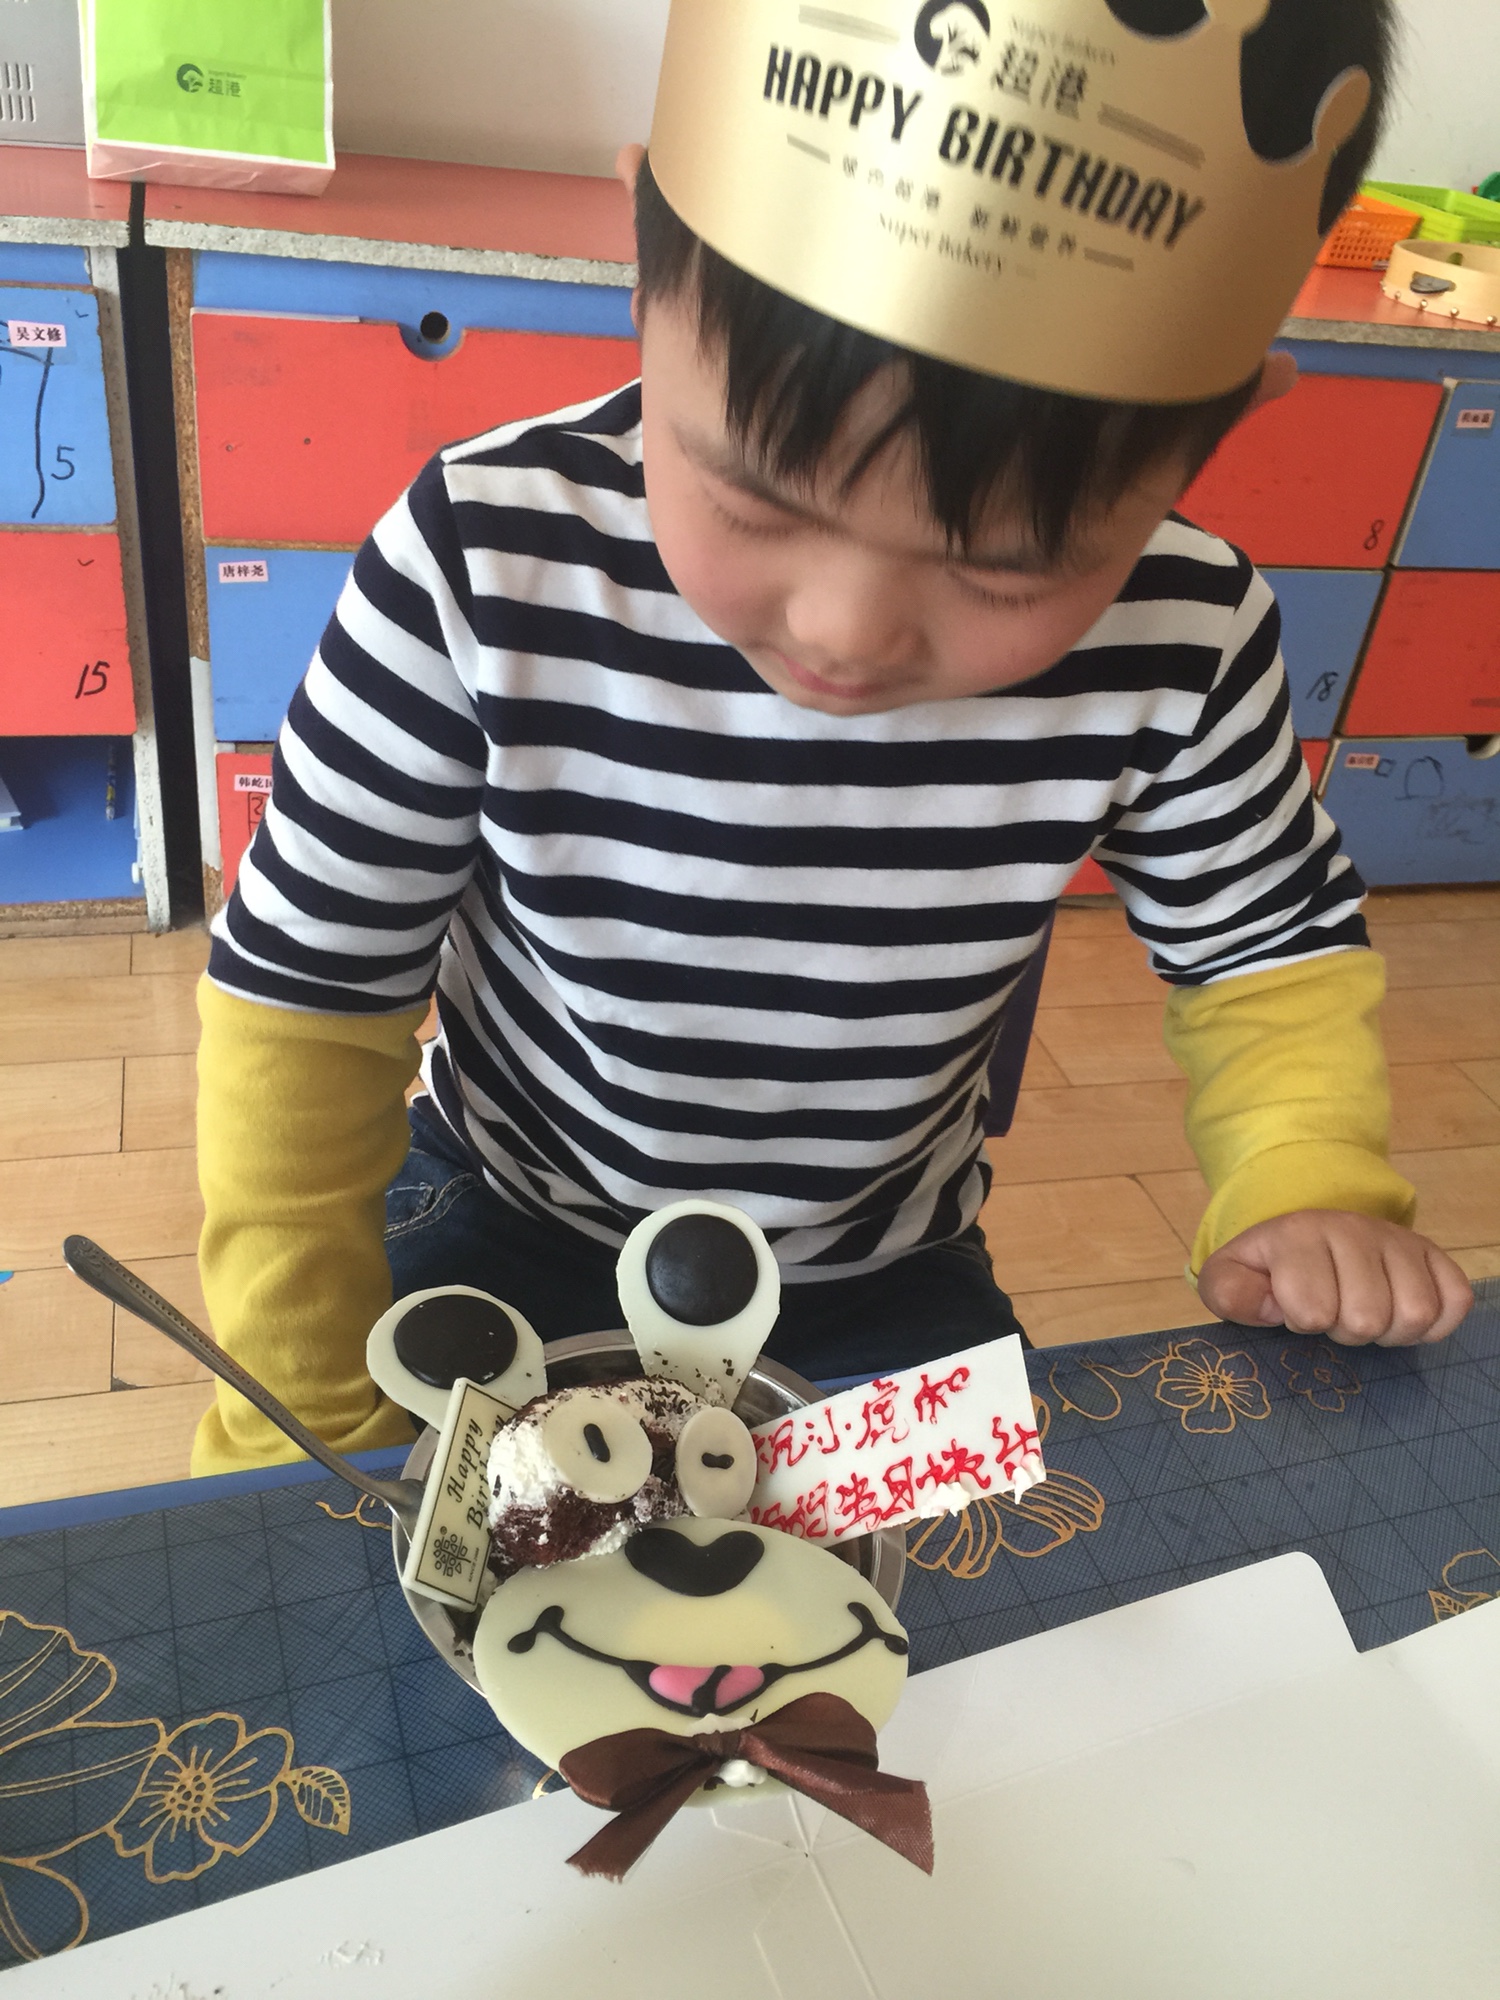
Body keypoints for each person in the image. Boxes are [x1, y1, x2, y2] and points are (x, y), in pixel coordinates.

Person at [192, 0, 1471, 1474]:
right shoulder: (486, 558)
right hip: (516, 1215)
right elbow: (307, 993)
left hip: (877, 1275)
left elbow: (1265, 946)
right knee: (422, 1579)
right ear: (649, 276)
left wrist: (1306, 1178)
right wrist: (292, 1400)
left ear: (1221, 427)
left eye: (1003, 571)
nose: (849, 631)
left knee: (981, 1584)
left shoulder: (1184, 631)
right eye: (752, 497)